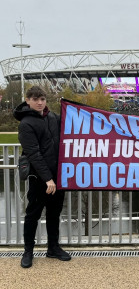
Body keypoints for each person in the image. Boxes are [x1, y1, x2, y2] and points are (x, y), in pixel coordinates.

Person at [13, 86, 71, 268]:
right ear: (27, 100)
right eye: (35, 99)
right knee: (33, 215)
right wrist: (48, 179)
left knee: (54, 214)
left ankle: (53, 248)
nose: (39, 102)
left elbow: (75, 124)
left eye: (42, 99)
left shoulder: (53, 117)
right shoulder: (26, 124)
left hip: (57, 176)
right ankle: (28, 251)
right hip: (40, 179)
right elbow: (33, 154)